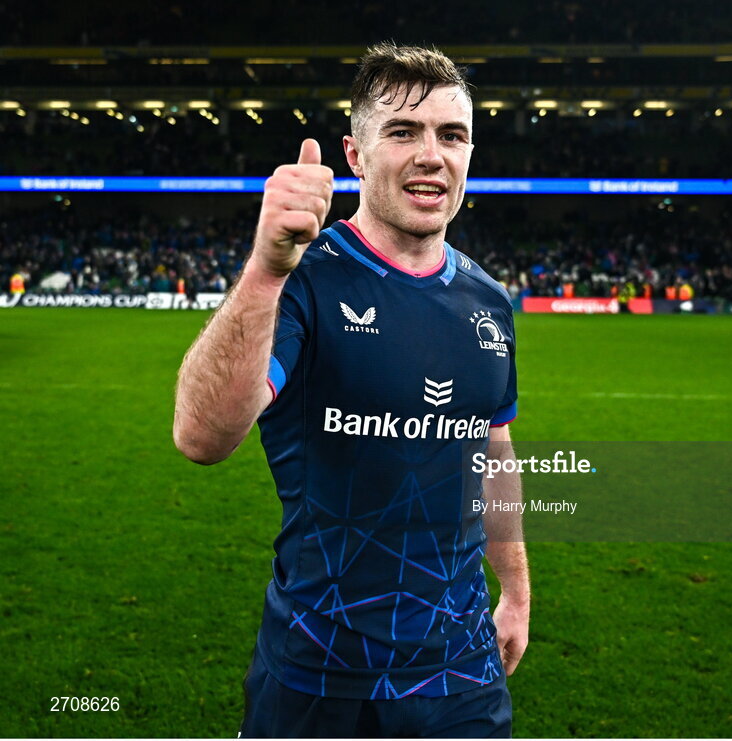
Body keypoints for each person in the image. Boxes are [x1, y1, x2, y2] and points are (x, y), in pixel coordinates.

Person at [173, 43, 529, 738]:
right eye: (403, 132)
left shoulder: (490, 302)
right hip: (320, 668)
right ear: (356, 155)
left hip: (462, 673)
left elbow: (493, 453)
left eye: (451, 135)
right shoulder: (304, 283)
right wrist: (268, 268)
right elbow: (201, 436)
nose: (432, 154)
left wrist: (514, 589)